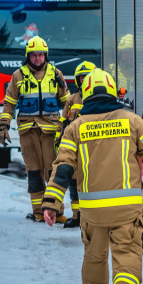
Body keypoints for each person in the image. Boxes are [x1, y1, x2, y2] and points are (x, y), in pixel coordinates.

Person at [42, 69, 143, 284]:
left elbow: (62, 167)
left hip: (92, 211)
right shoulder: (132, 122)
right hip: (127, 209)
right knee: (128, 255)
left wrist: (52, 203)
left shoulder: (76, 128)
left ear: (85, 95)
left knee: (95, 259)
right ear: (113, 92)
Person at [0, 35, 70, 222]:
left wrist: (70, 124)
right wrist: (3, 126)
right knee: (34, 171)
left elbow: (67, 102)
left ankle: (57, 210)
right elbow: (9, 103)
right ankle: (38, 211)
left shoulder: (56, 74)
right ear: (28, 56)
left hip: (51, 131)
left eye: (40, 55)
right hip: (27, 130)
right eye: (33, 55)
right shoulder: (18, 76)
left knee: (52, 170)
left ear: (45, 55)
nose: (37, 58)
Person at [56, 60, 95, 229]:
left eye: (87, 78)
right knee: (73, 182)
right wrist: (58, 141)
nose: (84, 81)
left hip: (92, 149)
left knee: (91, 182)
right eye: (81, 78)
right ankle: (76, 216)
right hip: (74, 148)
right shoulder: (72, 99)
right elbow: (62, 122)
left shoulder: (98, 99)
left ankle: (91, 217)